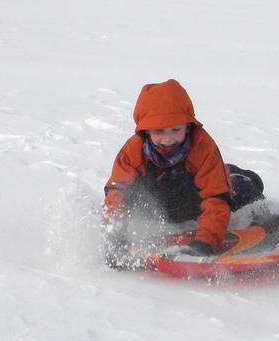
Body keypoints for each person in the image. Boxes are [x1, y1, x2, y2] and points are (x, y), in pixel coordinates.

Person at [103, 79, 265, 269]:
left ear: (188, 126)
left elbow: (215, 197)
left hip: (194, 199)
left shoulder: (202, 148)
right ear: (146, 131)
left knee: (241, 191)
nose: (168, 138)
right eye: (159, 131)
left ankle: (238, 178)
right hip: (162, 202)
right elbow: (117, 195)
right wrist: (115, 239)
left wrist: (205, 242)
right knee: (132, 196)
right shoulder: (133, 152)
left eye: (176, 129)